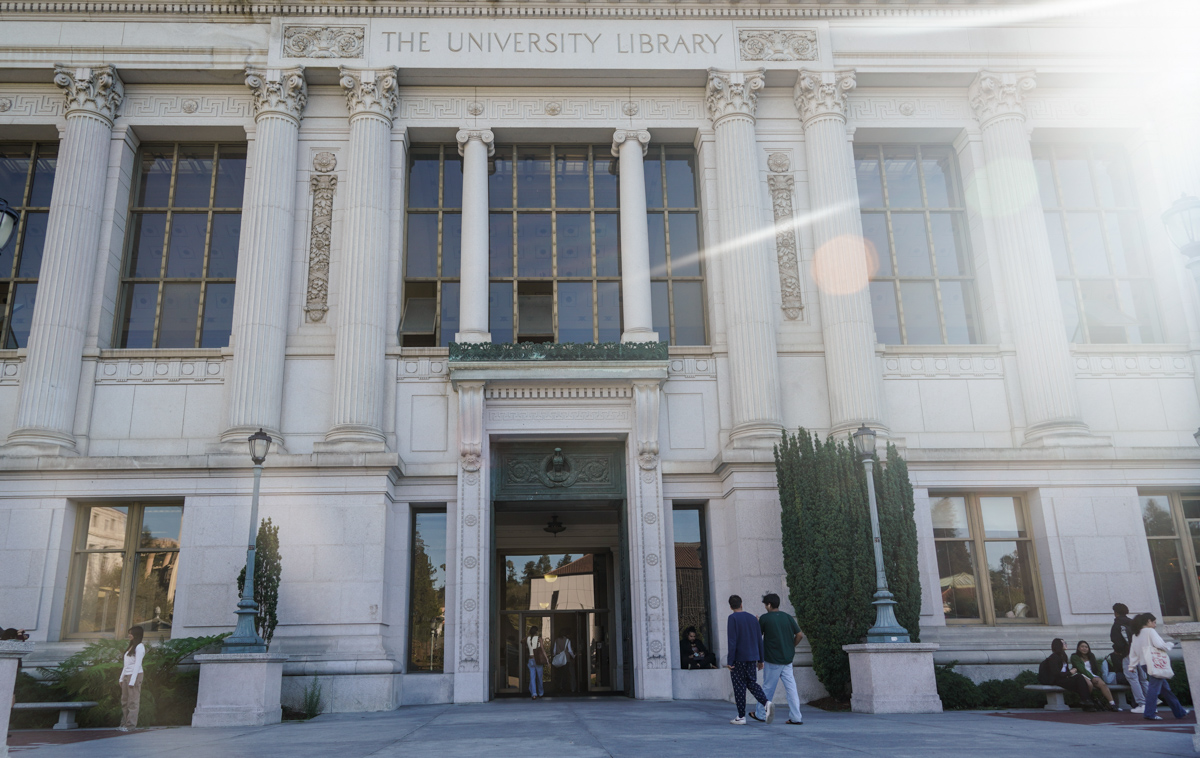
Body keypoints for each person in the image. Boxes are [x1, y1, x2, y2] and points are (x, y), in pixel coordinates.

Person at [748, 593, 803, 726]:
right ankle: (796, 717)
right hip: (787, 659)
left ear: (769, 605)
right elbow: (799, 635)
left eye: (765, 605)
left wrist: (756, 623)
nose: (765, 607)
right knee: (791, 689)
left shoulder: (765, 619)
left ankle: (761, 714)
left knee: (767, 688)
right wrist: (791, 646)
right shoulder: (787, 617)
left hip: (772, 659)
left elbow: (757, 637)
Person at [1128, 612, 1189, 721]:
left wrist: (1131, 666)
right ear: (1148, 621)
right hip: (1155, 663)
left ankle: (1179, 711)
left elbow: (1133, 652)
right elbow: (1160, 645)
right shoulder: (1150, 631)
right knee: (1154, 689)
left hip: (1144, 664)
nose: (1155, 625)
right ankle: (1149, 713)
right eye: (1154, 622)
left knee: (1165, 690)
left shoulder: (1135, 635)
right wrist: (1170, 645)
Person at [725, 594, 773, 726]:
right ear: (741, 604)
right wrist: (761, 659)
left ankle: (741, 716)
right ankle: (766, 702)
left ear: (730, 606)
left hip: (739, 658)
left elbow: (732, 641)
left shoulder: (732, 618)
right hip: (752, 657)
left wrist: (730, 661)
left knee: (739, 686)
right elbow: (759, 639)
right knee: (752, 682)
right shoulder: (753, 618)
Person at [1110, 602, 1147, 712]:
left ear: (1116, 613)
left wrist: (1118, 651)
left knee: (1133, 679)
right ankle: (1151, 701)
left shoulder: (1117, 625)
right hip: (1140, 653)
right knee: (1143, 679)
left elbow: (1118, 643)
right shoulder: (1133, 623)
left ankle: (1142, 703)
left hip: (1128, 655)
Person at [1037, 638, 1093, 709]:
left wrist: (1070, 673)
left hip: (1063, 678)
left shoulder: (1063, 656)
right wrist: (1069, 673)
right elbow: (1056, 674)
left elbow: (1065, 671)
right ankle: (1086, 701)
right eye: (1064, 643)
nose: (1066, 644)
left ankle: (1086, 701)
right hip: (1056, 680)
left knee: (1080, 678)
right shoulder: (1054, 657)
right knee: (1079, 679)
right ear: (1059, 645)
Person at [1070, 641, 1117, 711]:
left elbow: (1095, 668)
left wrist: (1096, 677)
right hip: (1081, 674)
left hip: (1092, 675)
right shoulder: (1074, 656)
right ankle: (1086, 702)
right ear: (1078, 648)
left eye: (1086, 647)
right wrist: (1092, 678)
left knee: (1103, 685)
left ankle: (1112, 704)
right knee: (1089, 684)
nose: (1084, 648)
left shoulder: (1091, 656)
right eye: (1082, 647)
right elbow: (1081, 669)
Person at [118, 626, 145, 732]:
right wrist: (121, 678)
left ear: (136, 635)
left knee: (133, 702)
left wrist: (132, 681)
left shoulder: (140, 647)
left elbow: (137, 665)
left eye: (131, 633)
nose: (129, 635)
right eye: (129, 633)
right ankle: (124, 723)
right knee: (124, 701)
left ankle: (131, 725)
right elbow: (126, 665)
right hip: (126, 676)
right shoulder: (131, 646)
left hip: (135, 675)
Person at [526, 626, 548, 700]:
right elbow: (542, 649)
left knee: (532, 677)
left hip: (530, 659)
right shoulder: (539, 638)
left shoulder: (528, 638)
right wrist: (547, 659)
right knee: (539, 677)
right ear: (537, 632)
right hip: (538, 660)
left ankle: (534, 694)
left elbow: (521, 641)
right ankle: (540, 693)